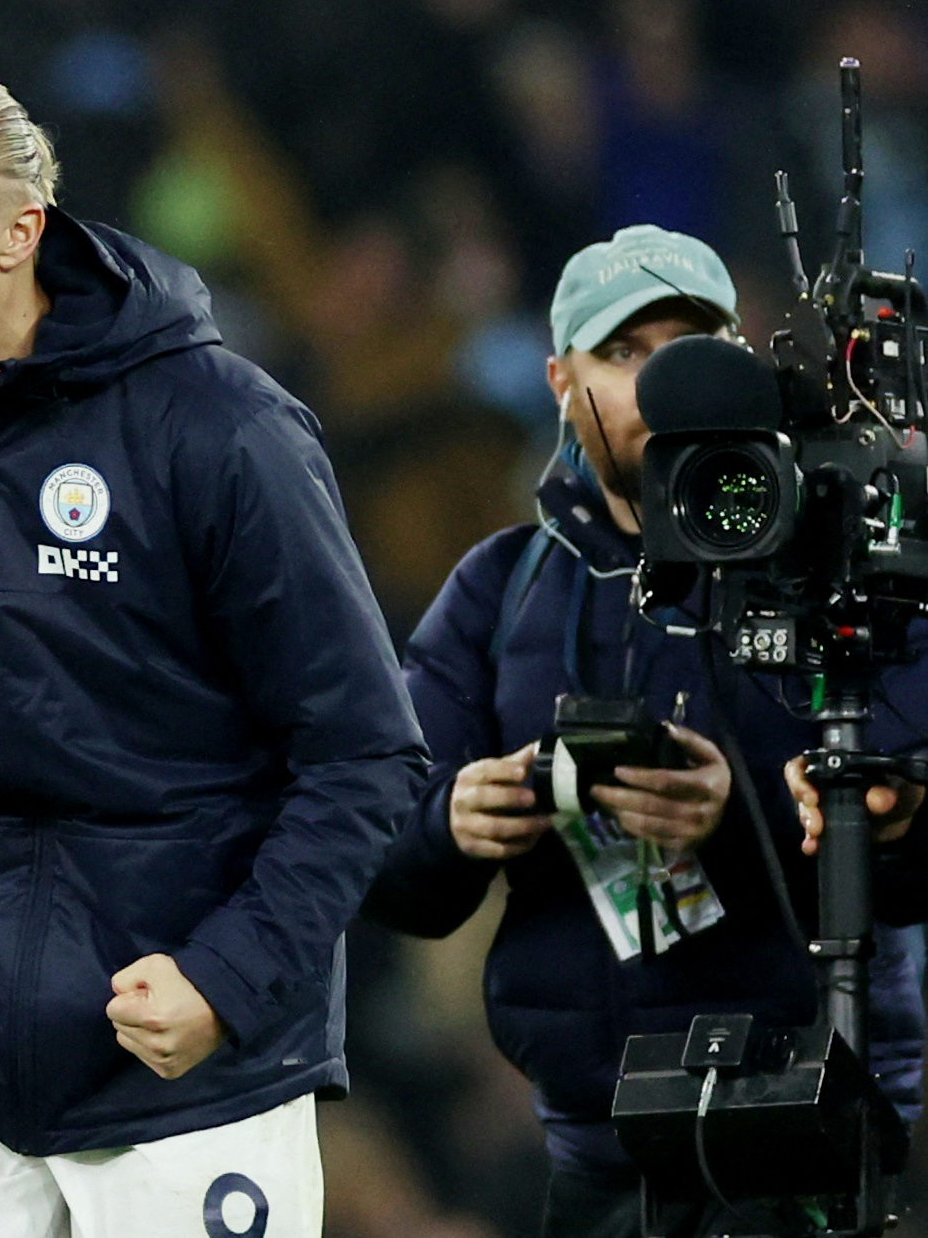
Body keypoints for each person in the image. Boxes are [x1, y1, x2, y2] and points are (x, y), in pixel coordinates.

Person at [0, 64, 428, 1237]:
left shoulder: (220, 430)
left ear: (21, 233)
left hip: (188, 1070)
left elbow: (363, 756)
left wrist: (225, 980)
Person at [361, 224, 928, 1237]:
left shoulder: (832, 566)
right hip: (600, 1149)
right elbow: (376, 852)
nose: (657, 384)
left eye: (685, 349)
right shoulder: (498, 593)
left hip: (825, 1129)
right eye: (621, 355)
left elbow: (914, 822)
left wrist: (750, 808)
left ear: (740, 358)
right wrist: (450, 819)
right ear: (556, 381)